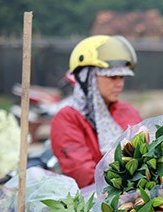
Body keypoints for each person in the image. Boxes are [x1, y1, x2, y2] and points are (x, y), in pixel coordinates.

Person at [50, 35, 142, 188]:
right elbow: (83, 175)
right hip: (96, 203)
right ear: (88, 77)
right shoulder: (67, 118)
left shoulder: (128, 111)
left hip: (136, 199)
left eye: (122, 77)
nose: (119, 84)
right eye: (112, 77)